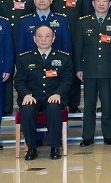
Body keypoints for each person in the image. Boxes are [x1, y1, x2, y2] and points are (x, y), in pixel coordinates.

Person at [73, 0, 111, 146]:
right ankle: (87, 136)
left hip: (109, 69)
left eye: (105, 1)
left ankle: (108, 136)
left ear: (110, 4)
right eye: (98, 0)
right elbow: (78, 48)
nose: (101, 4)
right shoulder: (83, 22)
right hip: (89, 69)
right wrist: (79, 68)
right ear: (93, 3)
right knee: (89, 105)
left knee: (108, 105)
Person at [15, 25, 72, 160]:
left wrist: (58, 93)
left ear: (53, 38)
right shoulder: (24, 58)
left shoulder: (64, 58)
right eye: (40, 36)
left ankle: (54, 147)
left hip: (53, 96)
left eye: (47, 36)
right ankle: (31, 148)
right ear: (34, 39)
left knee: (53, 108)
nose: (43, 39)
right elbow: (19, 81)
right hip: (32, 97)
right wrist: (26, 94)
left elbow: (67, 80)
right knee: (27, 110)